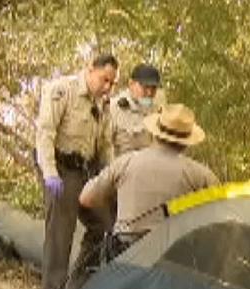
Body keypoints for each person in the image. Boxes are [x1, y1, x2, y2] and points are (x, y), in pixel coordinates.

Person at [78, 103, 219, 270]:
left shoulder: (126, 162)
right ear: (186, 142)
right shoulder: (201, 175)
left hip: (126, 256)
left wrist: (113, 213)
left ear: (155, 134)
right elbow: (219, 218)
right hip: (174, 261)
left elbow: (86, 198)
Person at [35, 53, 118, 289]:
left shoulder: (103, 105)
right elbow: (45, 132)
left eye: (112, 83)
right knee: (61, 228)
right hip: (61, 167)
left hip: (88, 171)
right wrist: (49, 172)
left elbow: (105, 146)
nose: (108, 87)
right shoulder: (63, 90)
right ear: (90, 69)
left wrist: (111, 178)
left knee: (104, 225)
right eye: (105, 79)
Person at [110, 63, 164, 156]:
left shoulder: (156, 110)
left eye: (153, 88)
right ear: (131, 84)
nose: (149, 93)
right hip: (123, 168)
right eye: (145, 87)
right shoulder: (115, 108)